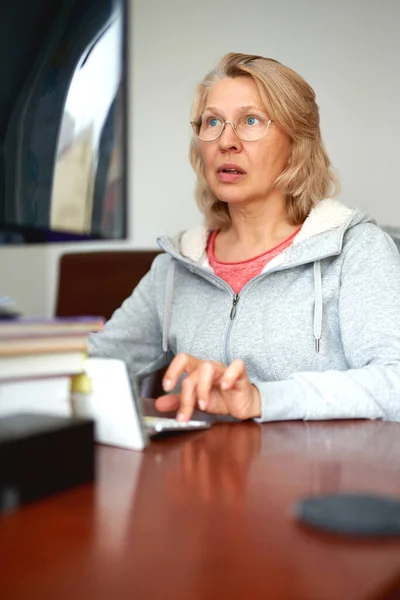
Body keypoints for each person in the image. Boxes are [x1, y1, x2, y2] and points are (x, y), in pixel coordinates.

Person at [88, 52, 400, 424]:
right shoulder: (174, 268)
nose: (226, 141)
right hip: (197, 477)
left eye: (250, 121)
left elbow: (394, 383)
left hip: (317, 479)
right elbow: (96, 362)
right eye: (213, 122)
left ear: (296, 144)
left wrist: (261, 399)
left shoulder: (357, 250)